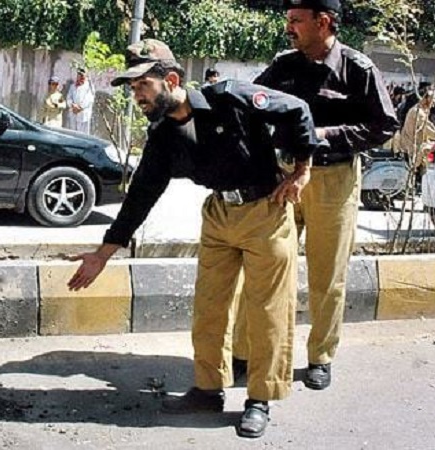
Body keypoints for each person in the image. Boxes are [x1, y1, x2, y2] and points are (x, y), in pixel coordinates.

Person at [66, 39, 320, 439]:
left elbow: (297, 109)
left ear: (170, 80)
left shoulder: (229, 98)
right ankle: (207, 389)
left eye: (143, 86)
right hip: (219, 214)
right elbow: (140, 196)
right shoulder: (164, 135)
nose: (137, 96)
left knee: (267, 310)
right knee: (209, 307)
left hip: (265, 211)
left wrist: (302, 170)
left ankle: (259, 399)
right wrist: (103, 253)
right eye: (133, 89)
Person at [231, 0, 399, 391]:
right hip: (284, 177)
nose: (288, 27)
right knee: (264, 268)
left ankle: (320, 356)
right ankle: (244, 352)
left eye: (296, 20)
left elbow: (384, 124)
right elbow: (251, 105)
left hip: (333, 180)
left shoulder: (357, 69)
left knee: (328, 275)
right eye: (288, 20)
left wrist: (325, 136)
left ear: (323, 22)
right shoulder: (284, 65)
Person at [395, 87, 435, 183]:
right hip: (411, 147)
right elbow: (428, 130)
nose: (434, 102)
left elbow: (430, 127)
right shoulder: (418, 113)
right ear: (425, 99)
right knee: (430, 149)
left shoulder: (421, 111)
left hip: (414, 146)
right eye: (432, 99)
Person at [66, 68, 95, 134]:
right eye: (79, 75)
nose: (81, 77)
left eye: (82, 75)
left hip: (83, 114)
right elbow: (68, 97)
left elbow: (89, 99)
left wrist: (79, 107)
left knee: (83, 135)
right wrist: (72, 105)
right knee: (73, 133)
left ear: (86, 76)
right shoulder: (73, 86)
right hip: (73, 113)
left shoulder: (89, 87)